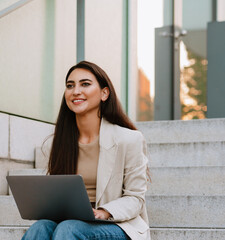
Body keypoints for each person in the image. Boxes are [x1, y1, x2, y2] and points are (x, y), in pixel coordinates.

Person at [22, 61, 150, 240]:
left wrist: (103, 212)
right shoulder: (59, 142)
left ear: (104, 93)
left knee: (69, 229)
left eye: (85, 84)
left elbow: (136, 199)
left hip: (117, 224)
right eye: (70, 85)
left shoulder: (129, 139)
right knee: (40, 228)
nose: (75, 91)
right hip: (72, 221)